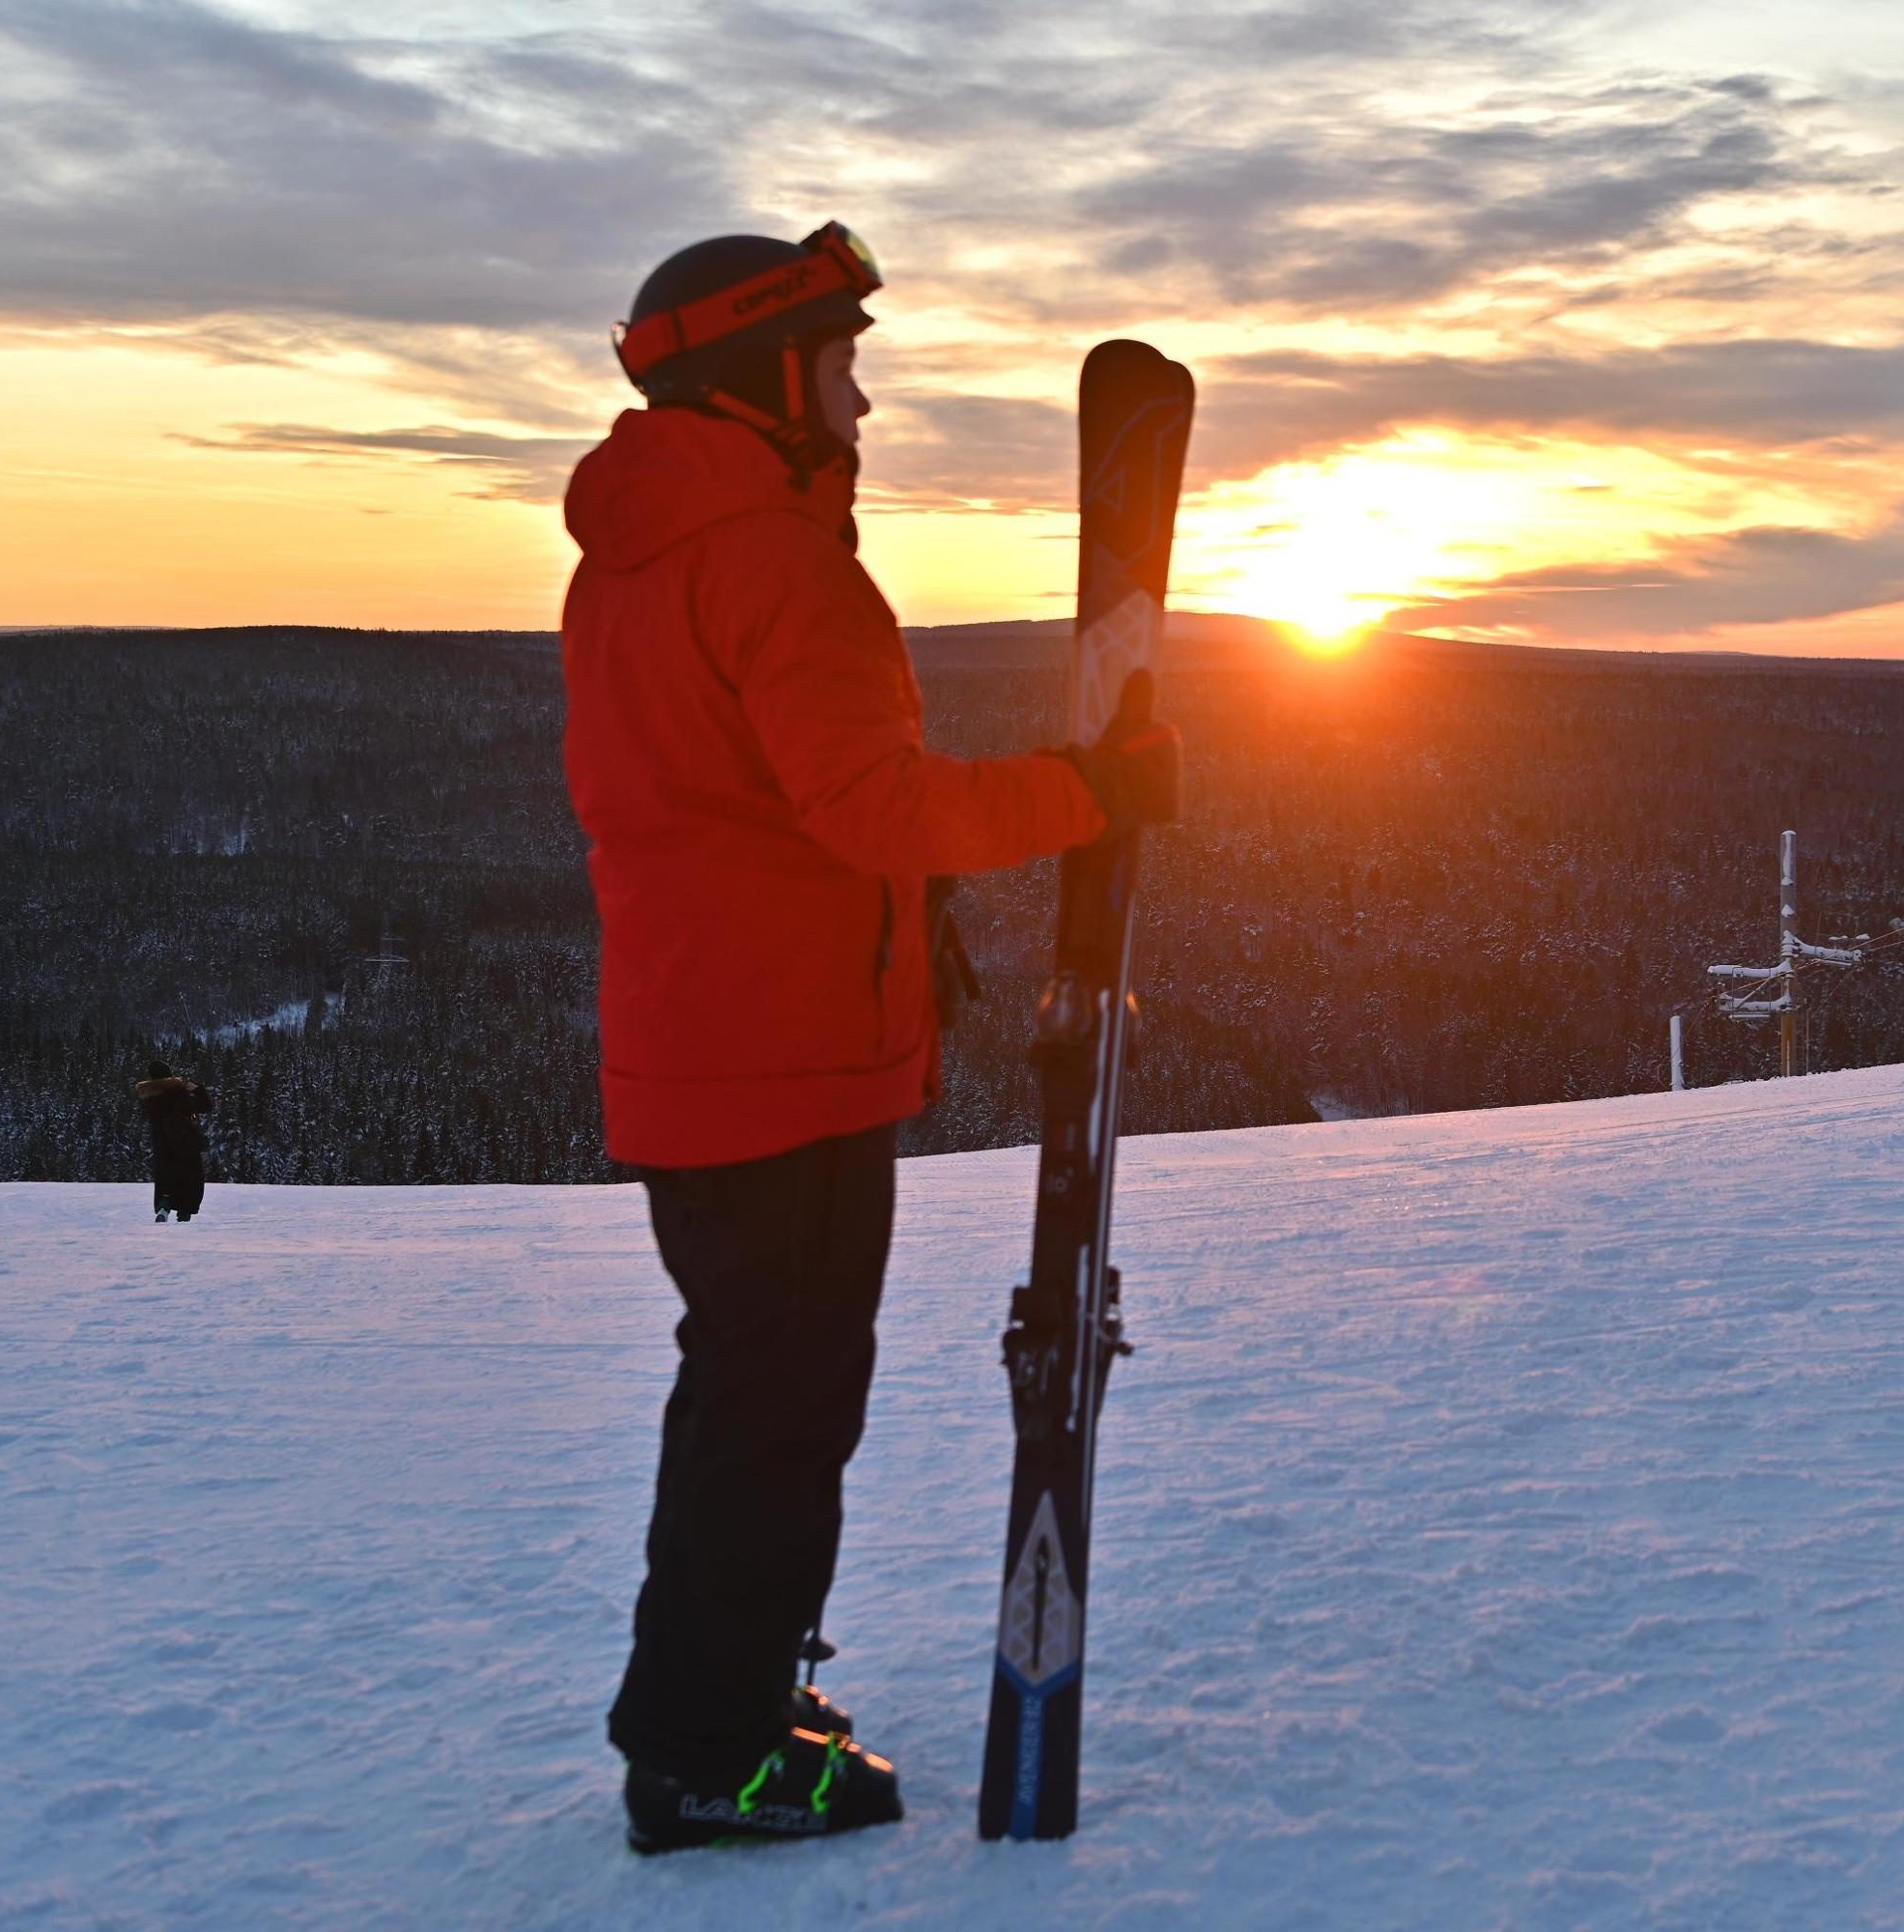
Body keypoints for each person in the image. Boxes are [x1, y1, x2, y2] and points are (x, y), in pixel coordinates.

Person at [561, 221, 1179, 1856]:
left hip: (712, 1048)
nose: (862, 397)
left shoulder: (641, 548)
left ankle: (721, 1698)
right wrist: (1092, 792)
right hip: (781, 1068)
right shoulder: (764, 555)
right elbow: (873, 806)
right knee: (777, 1405)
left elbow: (746, 809)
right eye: (841, 361)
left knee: (748, 1390)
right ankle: (709, 1750)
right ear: (766, 375)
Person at [133, 1061, 212, 1222]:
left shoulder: (148, 1097)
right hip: (185, 1142)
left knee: (166, 1180)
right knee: (190, 1178)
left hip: (162, 1145)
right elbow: (204, 1106)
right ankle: (184, 1212)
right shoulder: (178, 1092)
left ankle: (164, 1206)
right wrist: (195, 1088)